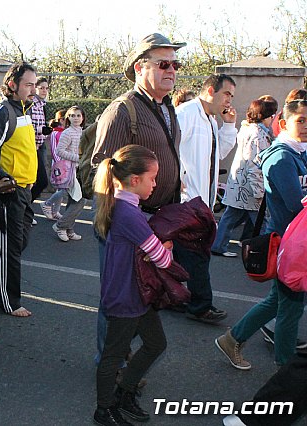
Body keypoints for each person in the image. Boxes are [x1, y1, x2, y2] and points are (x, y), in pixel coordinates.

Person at [91, 32, 185, 372]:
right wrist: (119, 220)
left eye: (176, 63)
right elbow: (102, 167)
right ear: (139, 67)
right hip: (128, 223)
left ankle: (125, 361)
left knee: (142, 295)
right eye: (164, 63)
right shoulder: (122, 110)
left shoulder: (167, 108)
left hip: (156, 220)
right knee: (117, 298)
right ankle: (111, 363)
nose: (172, 70)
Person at [215, 98, 307, 370]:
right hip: (287, 245)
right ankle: (286, 372)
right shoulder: (280, 157)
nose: (305, 127)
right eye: (300, 120)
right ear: (283, 124)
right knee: (291, 308)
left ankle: (233, 339)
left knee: (279, 302)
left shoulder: (299, 152)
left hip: (295, 243)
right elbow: (295, 204)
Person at [93, 145, 170, 426]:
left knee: (155, 343)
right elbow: (161, 259)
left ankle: (124, 394)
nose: (155, 183)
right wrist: (168, 247)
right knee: (113, 356)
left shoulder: (124, 206)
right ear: (134, 180)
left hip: (134, 293)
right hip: (126, 296)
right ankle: (104, 410)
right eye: (152, 178)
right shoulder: (129, 213)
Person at [175, 73, 237, 324]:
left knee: (183, 255)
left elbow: (217, 154)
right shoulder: (187, 113)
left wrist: (229, 126)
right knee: (197, 254)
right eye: (227, 94)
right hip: (187, 200)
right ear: (211, 90)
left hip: (203, 201)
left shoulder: (211, 120)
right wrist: (178, 181)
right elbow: (172, 147)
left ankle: (175, 297)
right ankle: (201, 305)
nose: (229, 101)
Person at [0, 62, 38, 317]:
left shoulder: (24, 108)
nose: (33, 89)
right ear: (12, 85)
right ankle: (9, 301)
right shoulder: (1, 111)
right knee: (9, 248)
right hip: (8, 193)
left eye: (34, 84)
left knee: (16, 244)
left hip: (26, 191)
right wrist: (2, 178)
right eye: (28, 84)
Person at [211, 98, 277, 256]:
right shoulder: (257, 135)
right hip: (249, 187)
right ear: (266, 116)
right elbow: (254, 165)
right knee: (259, 221)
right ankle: (262, 252)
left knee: (232, 217)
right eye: (272, 115)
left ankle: (221, 245)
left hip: (240, 184)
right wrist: (259, 191)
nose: (274, 118)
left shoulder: (250, 129)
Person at [48, 105, 86, 241]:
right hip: (70, 171)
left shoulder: (82, 131)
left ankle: (69, 229)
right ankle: (61, 226)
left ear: (83, 117)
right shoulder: (67, 132)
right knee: (80, 200)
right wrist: (79, 158)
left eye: (78, 115)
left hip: (80, 170)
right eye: (72, 115)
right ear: (68, 118)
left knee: (74, 200)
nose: (75, 118)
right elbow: (59, 151)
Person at [41, 109, 67, 220]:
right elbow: (54, 150)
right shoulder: (55, 133)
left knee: (61, 188)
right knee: (64, 188)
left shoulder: (64, 132)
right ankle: (47, 203)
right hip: (59, 165)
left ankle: (55, 211)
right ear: (61, 119)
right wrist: (60, 164)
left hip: (64, 164)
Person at [31, 77, 51, 207]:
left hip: (40, 145)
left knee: (41, 181)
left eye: (46, 88)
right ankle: (24, 209)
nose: (44, 90)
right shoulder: (30, 104)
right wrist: (40, 129)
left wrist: (46, 130)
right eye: (41, 88)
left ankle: (26, 208)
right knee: (39, 180)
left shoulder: (43, 105)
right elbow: (26, 126)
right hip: (30, 146)